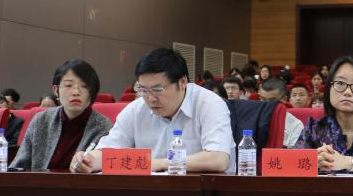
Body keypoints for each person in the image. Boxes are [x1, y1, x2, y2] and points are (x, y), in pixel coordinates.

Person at [70, 48, 234, 174]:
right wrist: (88, 161)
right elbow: (109, 151)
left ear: (182, 82)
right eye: (143, 90)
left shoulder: (209, 104)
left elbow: (218, 159)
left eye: (157, 89)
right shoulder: (135, 110)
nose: (149, 98)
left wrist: (159, 163)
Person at [11, 60, 113, 171]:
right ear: (56, 90)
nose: (76, 92)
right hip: (38, 182)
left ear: (92, 92)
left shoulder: (103, 127)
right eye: (68, 85)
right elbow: (18, 167)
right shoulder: (41, 120)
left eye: (84, 86)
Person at [258, 77, 306, 147]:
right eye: (263, 99)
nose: (266, 105)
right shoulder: (252, 117)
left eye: (272, 101)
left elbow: (295, 152)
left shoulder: (296, 125)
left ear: (284, 99)